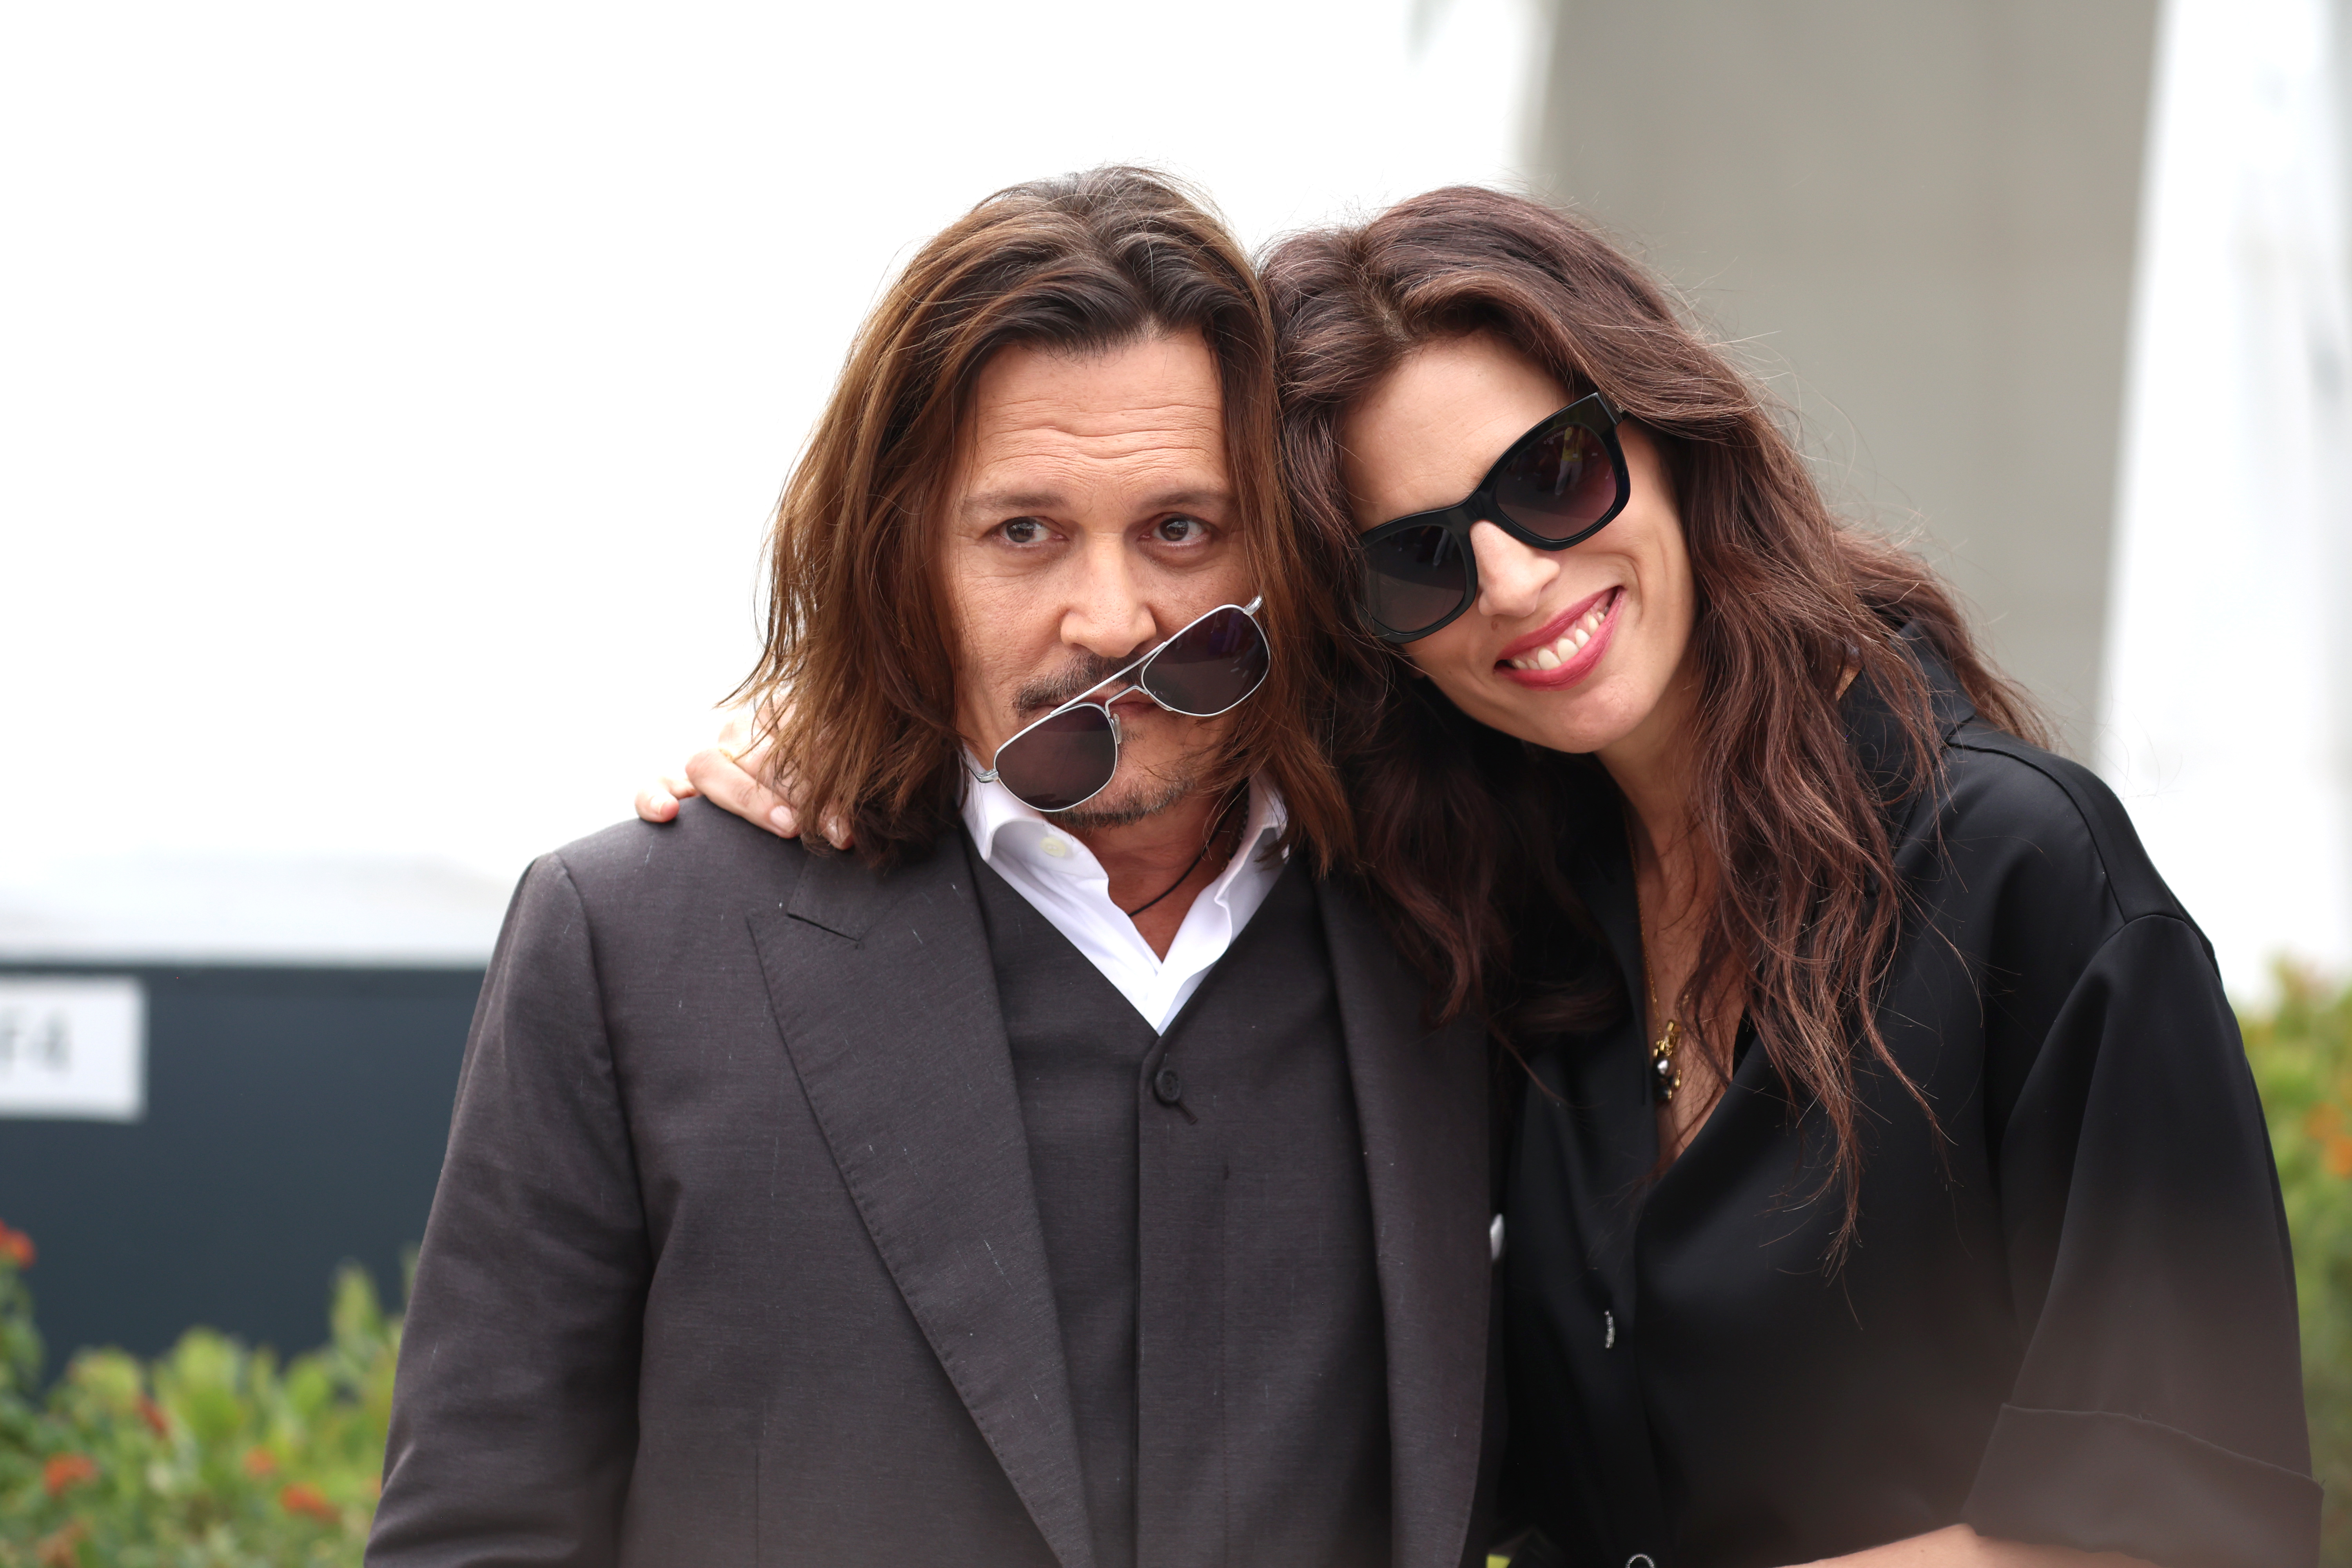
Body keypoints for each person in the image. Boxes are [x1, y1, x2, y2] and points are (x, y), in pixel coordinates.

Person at [663, 185, 2319, 1568]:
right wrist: (847, 757)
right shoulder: (1496, 926)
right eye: (1418, 555)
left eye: (1554, 474)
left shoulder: (2023, 874)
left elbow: (2184, 1512)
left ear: (1667, 440)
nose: (1521, 579)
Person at [372, 169, 1499, 1568]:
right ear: (904, 552)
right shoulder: (637, 940)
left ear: (1286, 545)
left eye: (1181, 531)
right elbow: (481, 1530)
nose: (1108, 618)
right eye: (1023, 533)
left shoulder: (1459, 904)